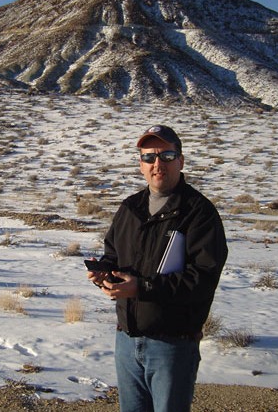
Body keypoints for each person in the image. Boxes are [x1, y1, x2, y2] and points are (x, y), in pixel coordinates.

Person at [87, 125, 228, 412]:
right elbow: (113, 255)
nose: (157, 164)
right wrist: (104, 274)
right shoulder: (130, 208)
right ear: (140, 164)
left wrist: (142, 287)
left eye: (167, 155)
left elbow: (203, 278)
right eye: (149, 157)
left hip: (172, 344)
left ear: (181, 161)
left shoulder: (199, 213)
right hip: (126, 339)